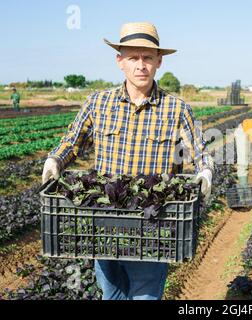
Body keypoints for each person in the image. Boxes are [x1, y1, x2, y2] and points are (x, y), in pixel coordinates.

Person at [41, 22, 213, 300]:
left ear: (159, 61)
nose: (141, 65)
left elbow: (199, 149)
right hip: (103, 222)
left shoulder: (177, 108)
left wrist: (205, 170)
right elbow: (72, 141)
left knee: (145, 295)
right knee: (112, 294)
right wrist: (54, 160)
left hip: (152, 225)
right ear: (120, 61)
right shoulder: (98, 103)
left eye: (147, 58)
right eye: (133, 57)